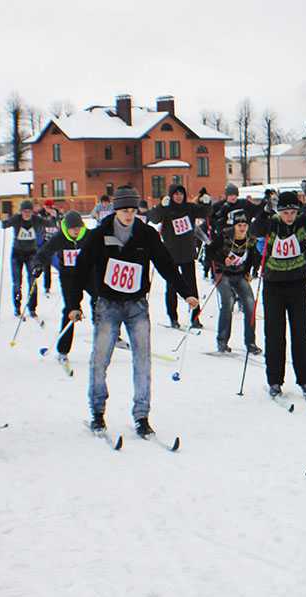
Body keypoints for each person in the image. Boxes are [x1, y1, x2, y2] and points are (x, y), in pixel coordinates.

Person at [64, 186, 198, 438]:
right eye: (124, 211)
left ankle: (142, 416)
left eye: (132, 211)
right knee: (100, 359)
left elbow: (166, 265)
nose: (128, 215)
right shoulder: (100, 233)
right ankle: (97, 412)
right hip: (108, 304)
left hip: (137, 305)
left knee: (142, 360)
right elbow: (81, 268)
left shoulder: (146, 234)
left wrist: (186, 292)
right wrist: (74, 304)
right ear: (116, 211)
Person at [251, 191, 306, 400]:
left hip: (297, 284)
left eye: (292, 212)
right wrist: (264, 211)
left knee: (301, 333)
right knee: (274, 334)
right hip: (273, 285)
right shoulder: (271, 223)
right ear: (279, 212)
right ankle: (274, 380)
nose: (289, 215)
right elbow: (255, 229)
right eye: (285, 212)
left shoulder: (301, 223)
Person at [30, 211, 94, 365]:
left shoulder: (89, 235)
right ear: (66, 228)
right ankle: (63, 350)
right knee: (70, 310)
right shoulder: (59, 238)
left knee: (102, 300)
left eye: (79, 227)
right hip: (69, 278)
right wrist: (38, 265)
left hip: (88, 275)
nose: (76, 231)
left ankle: (110, 335)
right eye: (73, 228)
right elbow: (43, 253)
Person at [146, 184, 213, 329]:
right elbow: (153, 218)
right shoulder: (167, 209)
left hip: (187, 253)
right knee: (172, 286)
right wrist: (161, 207)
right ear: (171, 196)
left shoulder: (189, 208)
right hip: (171, 254)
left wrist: (207, 202)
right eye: (175, 194)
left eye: (181, 194)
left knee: (192, 286)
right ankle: (173, 317)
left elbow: (205, 212)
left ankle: (195, 317)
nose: (178, 196)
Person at [207, 209, 262, 355]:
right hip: (223, 274)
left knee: (250, 304)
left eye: (245, 225)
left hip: (239, 275)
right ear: (234, 226)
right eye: (239, 225)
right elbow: (210, 251)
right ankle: (222, 341)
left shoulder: (250, 239)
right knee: (228, 301)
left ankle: (250, 342)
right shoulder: (224, 236)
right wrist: (221, 260)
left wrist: (249, 271)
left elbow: (252, 257)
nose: (242, 228)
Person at [2, 199, 42, 318]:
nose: (26, 214)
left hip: (32, 254)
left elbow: (49, 223)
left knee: (32, 281)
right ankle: (17, 307)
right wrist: (5, 220)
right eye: (24, 211)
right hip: (17, 254)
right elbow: (5, 225)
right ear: (21, 212)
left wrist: (55, 218)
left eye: (29, 211)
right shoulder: (16, 219)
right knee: (17, 282)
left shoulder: (36, 220)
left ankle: (32, 307)